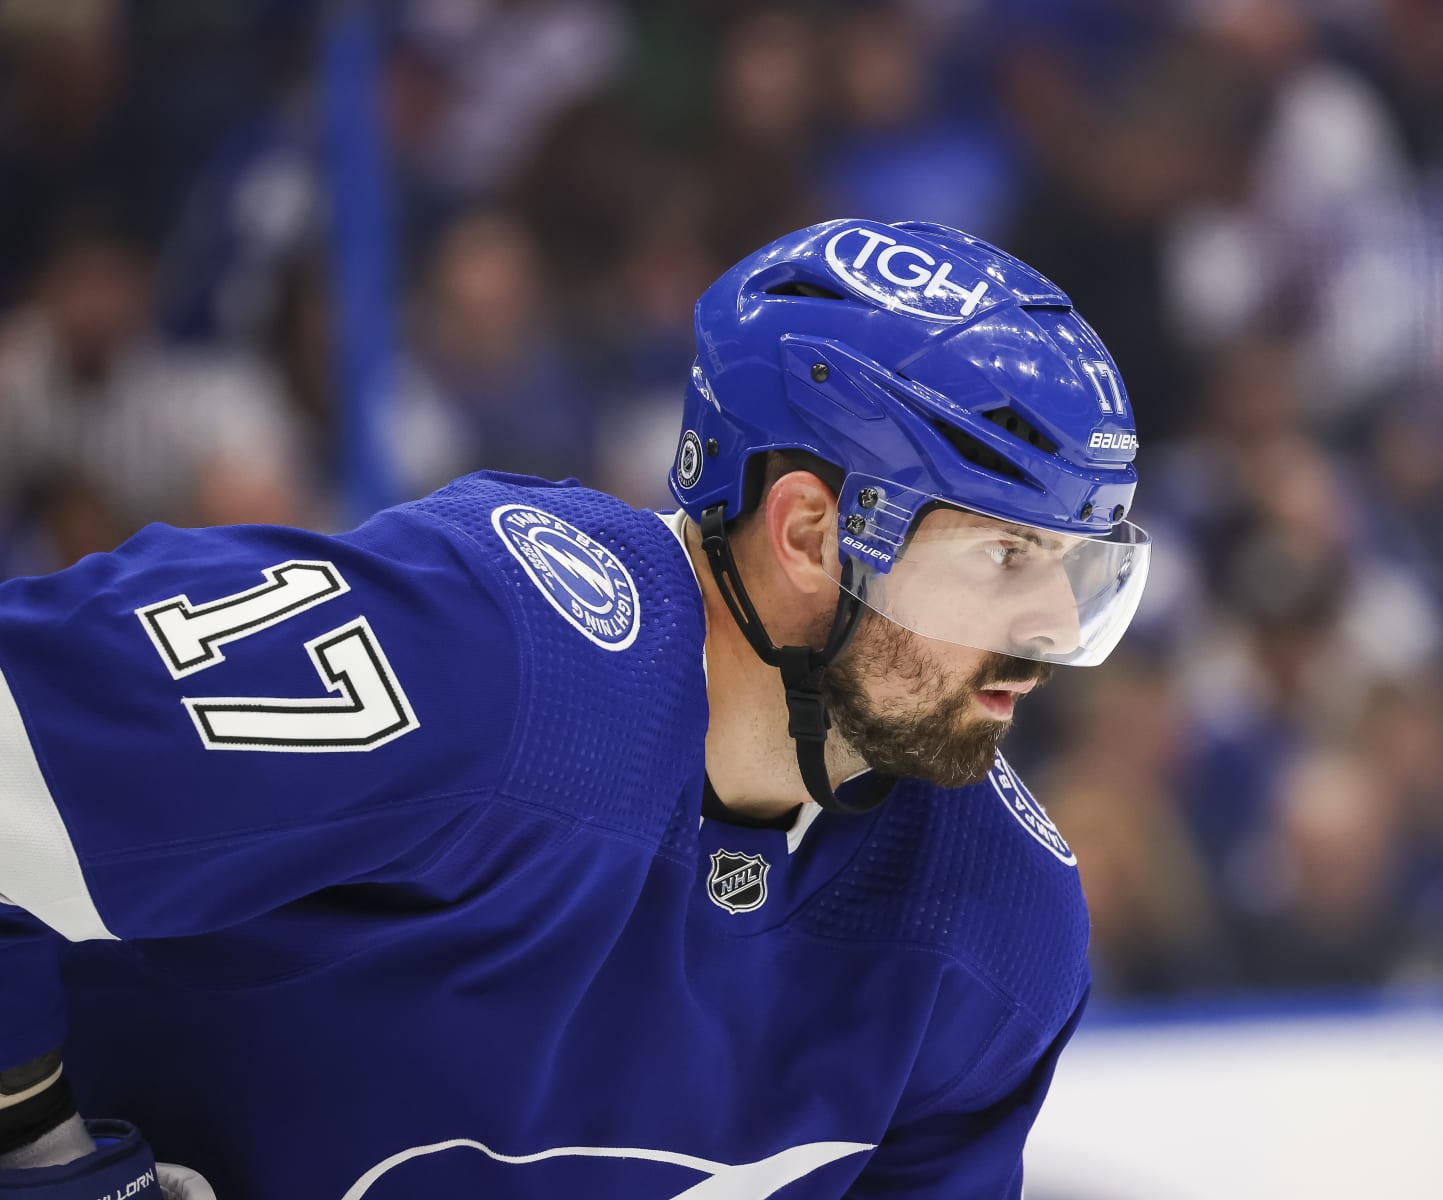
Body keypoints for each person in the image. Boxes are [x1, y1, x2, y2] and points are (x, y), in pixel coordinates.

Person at [0, 219, 1150, 1199]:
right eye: (1007, 558)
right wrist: (37, 1148)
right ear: (810, 533)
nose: (1052, 633)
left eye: (1077, 569)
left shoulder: (998, 924)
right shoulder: (488, 660)